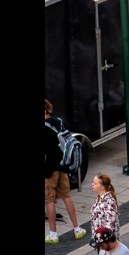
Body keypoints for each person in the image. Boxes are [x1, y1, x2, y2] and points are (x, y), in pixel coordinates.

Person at [44, 100, 85, 244]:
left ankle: (53, 234)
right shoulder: (59, 121)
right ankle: (77, 229)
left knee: (49, 201)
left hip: (49, 169)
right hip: (63, 165)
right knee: (67, 197)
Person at [90, 174, 120, 240]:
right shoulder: (100, 197)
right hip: (100, 241)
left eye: (95, 183)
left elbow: (110, 225)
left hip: (106, 243)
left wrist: (104, 243)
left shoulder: (109, 201)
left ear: (102, 187)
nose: (92, 184)